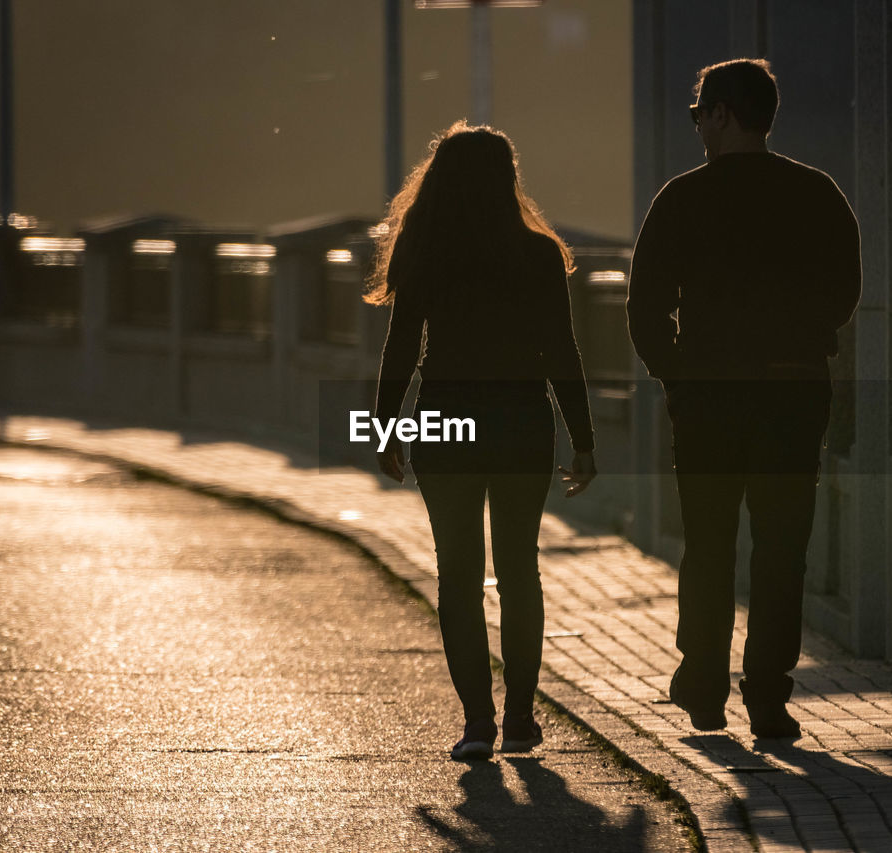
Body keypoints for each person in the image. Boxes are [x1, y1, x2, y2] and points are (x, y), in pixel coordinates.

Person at [626, 59, 861, 738]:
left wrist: (678, 375)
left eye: (700, 111)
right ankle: (767, 694)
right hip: (792, 393)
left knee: (709, 540)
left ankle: (703, 681)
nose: (697, 122)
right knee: (783, 544)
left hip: (710, 399)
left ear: (723, 113)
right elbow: (843, 296)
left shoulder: (682, 199)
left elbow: (645, 309)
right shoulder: (817, 194)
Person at [367, 121, 597, 761]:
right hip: (522, 422)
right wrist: (583, 438)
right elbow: (562, 351)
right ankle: (522, 717)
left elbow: (402, 348)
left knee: (459, 574)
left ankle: (477, 724)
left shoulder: (425, 250)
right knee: (520, 570)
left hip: (447, 423)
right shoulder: (538, 254)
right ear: (508, 181)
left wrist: (386, 426)